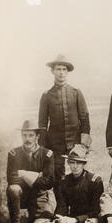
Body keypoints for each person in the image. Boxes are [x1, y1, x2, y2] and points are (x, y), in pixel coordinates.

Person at [38, 54, 91, 200]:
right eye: (58, 69)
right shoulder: (46, 96)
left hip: (75, 144)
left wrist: (83, 146)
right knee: (59, 178)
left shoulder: (76, 93)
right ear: (52, 71)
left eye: (64, 69)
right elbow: (42, 125)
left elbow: (85, 120)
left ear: (67, 72)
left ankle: (78, 207)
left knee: (77, 174)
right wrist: (43, 149)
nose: (61, 72)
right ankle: (61, 209)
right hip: (55, 146)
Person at [6, 120, 56, 223]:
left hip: (41, 195)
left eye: (31, 135)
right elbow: (11, 178)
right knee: (13, 189)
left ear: (37, 137)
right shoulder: (14, 154)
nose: (27, 139)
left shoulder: (47, 154)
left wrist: (23, 174)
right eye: (24, 135)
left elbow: (48, 182)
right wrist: (37, 176)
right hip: (23, 195)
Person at [53, 144, 104, 223]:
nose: (75, 166)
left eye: (79, 163)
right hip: (71, 219)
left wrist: (76, 219)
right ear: (68, 163)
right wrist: (59, 218)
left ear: (84, 164)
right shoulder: (64, 181)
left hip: (88, 218)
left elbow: (96, 210)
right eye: (72, 162)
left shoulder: (94, 181)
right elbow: (62, 206)